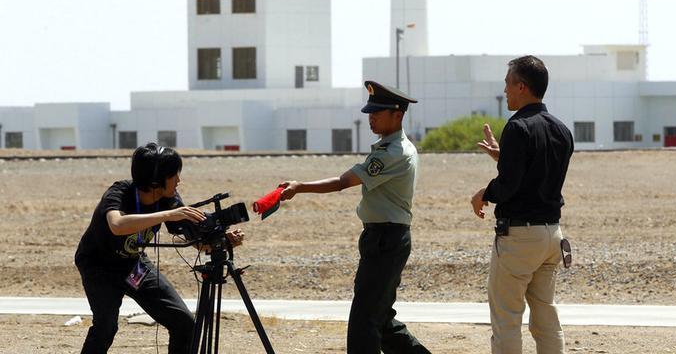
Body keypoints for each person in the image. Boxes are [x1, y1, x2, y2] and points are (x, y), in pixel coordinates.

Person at [279, 80, 431, 354]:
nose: (371, 118)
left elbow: (341, 182)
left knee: (364, 321)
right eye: (370, 113)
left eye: (377, 113)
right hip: (383, 237)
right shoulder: (390, 147)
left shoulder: (393, 153)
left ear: (397, 115)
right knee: (381, 320)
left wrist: (300, 187)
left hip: (386, 239)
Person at [74, 143, 242, 353]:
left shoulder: (169, 199)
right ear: (155, 180)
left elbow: (195, 240)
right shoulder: (120, 191)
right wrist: (168, 215)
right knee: (105, 327)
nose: (179, 180)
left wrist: (219, 241)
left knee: (184, 323)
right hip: (99, 266)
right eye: (174, 175)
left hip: (133, 264)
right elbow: (117, 225)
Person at [471, 56, 574, 354]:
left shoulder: (517, 127)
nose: (504, 90)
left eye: (507, 84)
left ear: (522, 86)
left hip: (519, 237)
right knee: (546, 318)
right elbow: (535, 174)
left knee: (506, 319)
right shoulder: (561, 129)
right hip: (552, 234)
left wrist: (482, 193)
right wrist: (504, 157)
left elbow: (509, 185)